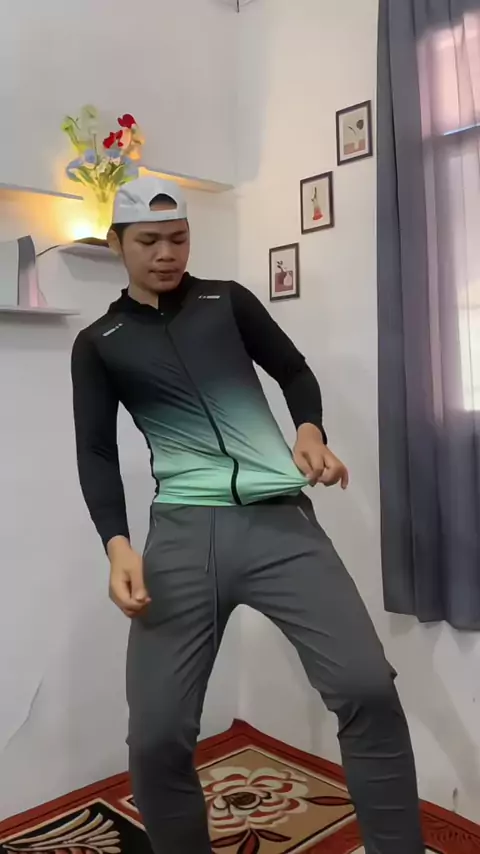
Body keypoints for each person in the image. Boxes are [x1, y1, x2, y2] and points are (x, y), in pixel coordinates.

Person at [71, 176, 425, 854]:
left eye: (179, 238)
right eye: (149, 241)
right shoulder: (100, 341)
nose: (167, 254)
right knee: (155, 736)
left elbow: (294, 372)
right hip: (182, 533)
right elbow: (95, 452)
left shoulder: (225, 301)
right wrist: (117, 544)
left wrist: (310, 430)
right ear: (116, 243)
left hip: (280, 523)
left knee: (367, 687)